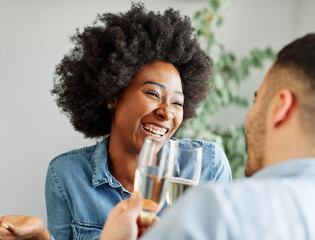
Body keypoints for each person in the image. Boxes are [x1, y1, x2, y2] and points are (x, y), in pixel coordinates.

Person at [0, 3, 231, 240]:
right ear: (113, 94)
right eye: (153, 94)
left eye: (177, 103)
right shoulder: (67, 175)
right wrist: (42, 238)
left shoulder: (207, 167)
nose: (166, 112)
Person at [99, 33, 315, 240]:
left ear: (280, 106)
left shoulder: (217, 211)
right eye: (153, 94)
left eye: (257, 100)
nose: (166, 112)